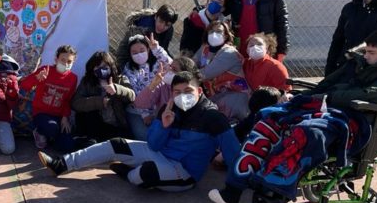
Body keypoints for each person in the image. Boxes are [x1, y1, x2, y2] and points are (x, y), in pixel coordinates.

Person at [209, 28, 377, 203]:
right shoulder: (356, 62)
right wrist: (300, 98)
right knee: (269, 116)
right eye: (366, 51)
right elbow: (326, 85)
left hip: (356, 122)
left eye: (371, 53)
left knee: (307, 131)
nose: (366, 56)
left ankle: (277, 187)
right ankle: (233, 192)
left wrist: (331, 95)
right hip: (326, 108)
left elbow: (366, 95)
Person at [38, 71, 241, 191]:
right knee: (115, 144)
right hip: (161, 154)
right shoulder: (169, 109)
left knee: (144, 174)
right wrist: (163, 125)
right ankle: (61, 164)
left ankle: (129, 173)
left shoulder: (213, 118)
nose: (182, 96)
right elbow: (153, 145)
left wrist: (235, 189)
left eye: (188, 91)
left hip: (184, 172)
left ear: (199, 91)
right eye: (177, 92)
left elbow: (232, 153)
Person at [19, 45, 78, 152]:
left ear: (73, 62)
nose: (66, 63)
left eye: (69, 61)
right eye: (63, 60)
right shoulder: (45, 70)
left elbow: (68, 100)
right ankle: (39, 132)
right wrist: (36, 78)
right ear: (56, 59)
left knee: (67, 147)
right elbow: (24, 85)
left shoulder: (73, 78)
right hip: (41, 113)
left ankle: (53, 138)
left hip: (59, 117)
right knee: (52, 127)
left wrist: (65, 117)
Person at [72, 50, 135, 142]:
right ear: (92, 69)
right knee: (89, 114)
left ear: (111, 66)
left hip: (116, 125)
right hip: (94, 125)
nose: (101, 69)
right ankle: (88, 140)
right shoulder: (87, 82)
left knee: (124, 142)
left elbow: (132, 96)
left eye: (104, 66)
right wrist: (99, 102)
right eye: (97, 66)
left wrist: (117, 89)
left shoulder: (120, 79)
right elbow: (75, 104)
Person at [193, 20, 249, 121]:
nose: (214, 34)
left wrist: (182, 75)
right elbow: (192, 63)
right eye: (211, 31)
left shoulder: (229, 53)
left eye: (219, 31)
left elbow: (205, 74)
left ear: (226, 35)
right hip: (217, 96)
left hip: (234, 98)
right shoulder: (205, 48)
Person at [120, 34, 172, 140]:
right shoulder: (129, 69)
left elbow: (171, 64)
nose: (139, 54)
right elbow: (136, 94)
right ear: (130, 54)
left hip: (159, 108)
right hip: (137, 112)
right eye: (134, 52)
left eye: (142, 50)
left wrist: (157, 49)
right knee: (144, 137)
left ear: (148, 49)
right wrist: (145, 114)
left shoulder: (158, 62)